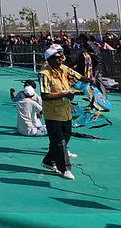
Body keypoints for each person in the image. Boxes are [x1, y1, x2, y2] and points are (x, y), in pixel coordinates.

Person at [39, 44, 86, 180]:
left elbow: (77, 76)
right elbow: (45, 95)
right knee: (59, 141)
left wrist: (88, 80)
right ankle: (64, 168)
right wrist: (64, 94)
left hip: (65, 111)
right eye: (57, 58)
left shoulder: (63, 69)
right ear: (49, 59)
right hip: (52, 113)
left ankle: (48, 160)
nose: (61, 60)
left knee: (66, 137)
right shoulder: (44, 74)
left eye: (62, 57)